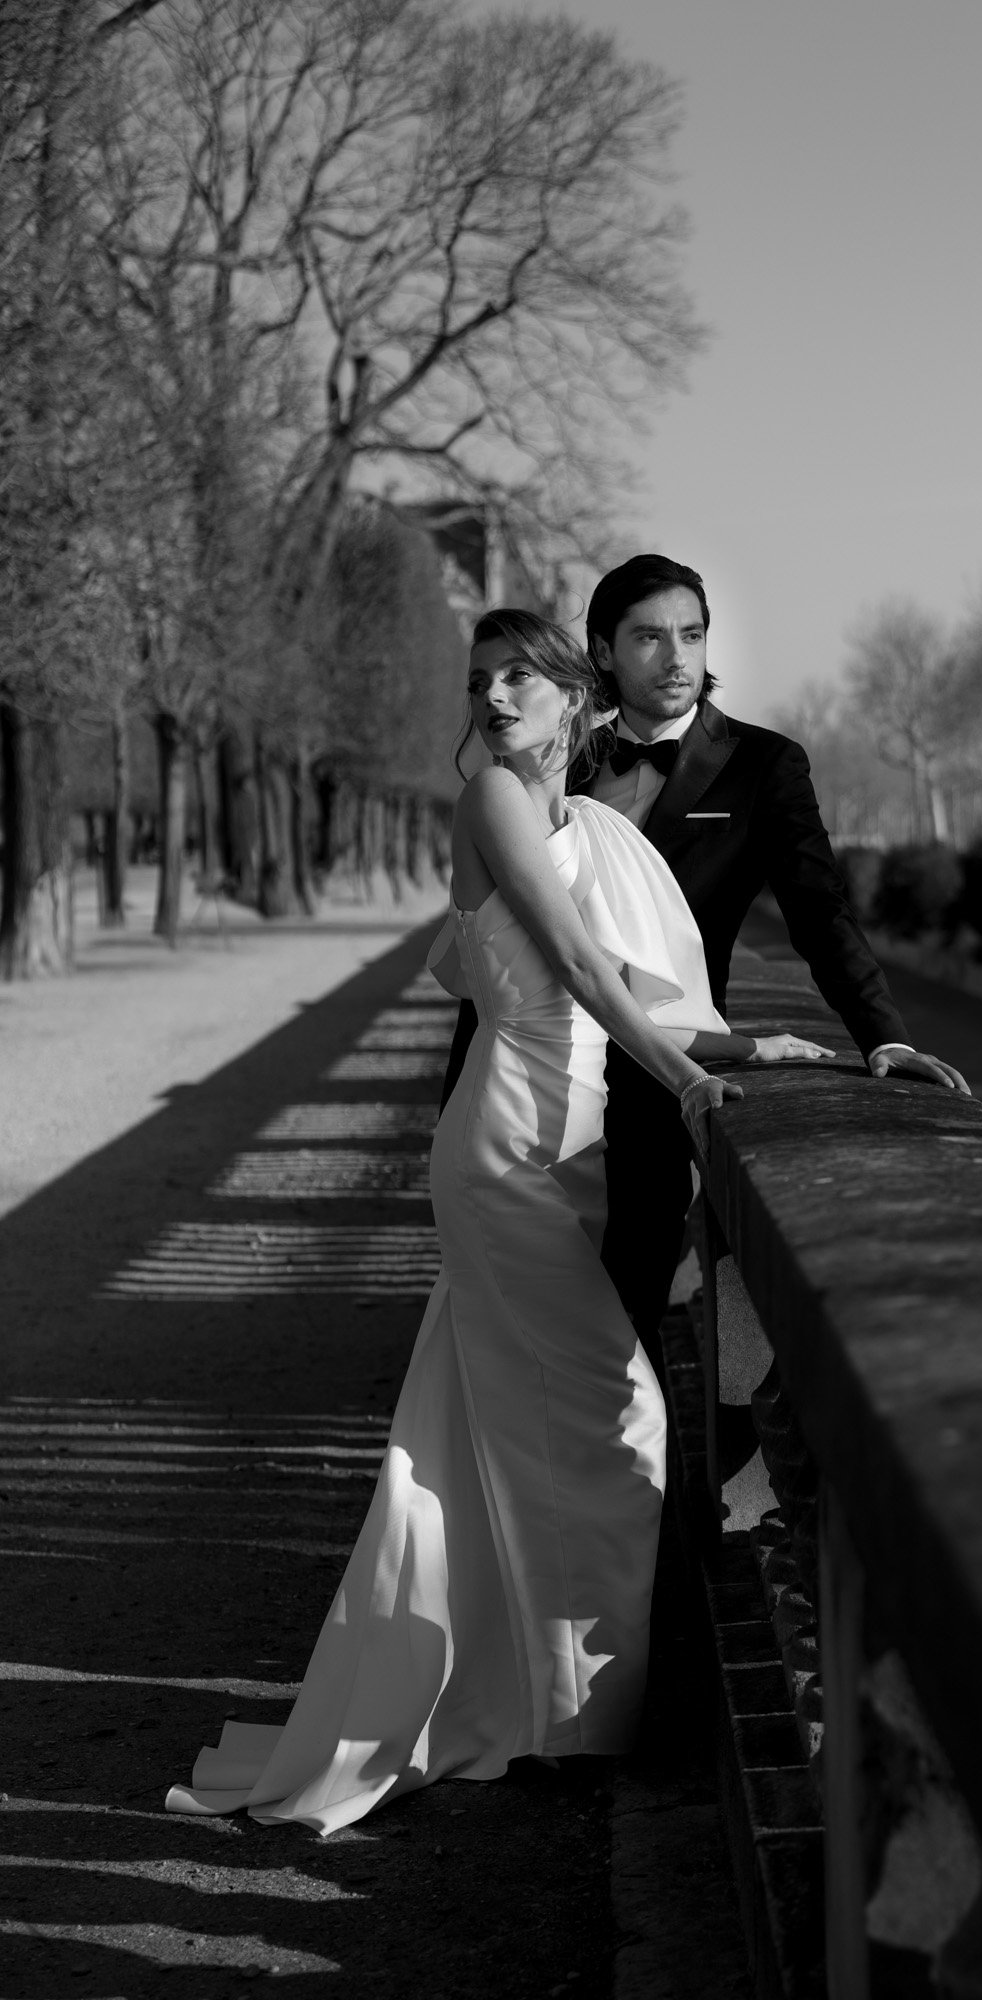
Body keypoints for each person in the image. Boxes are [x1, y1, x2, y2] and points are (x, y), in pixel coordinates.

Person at [165, 610, 832, 1835]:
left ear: (573, 698)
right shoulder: (494, 807)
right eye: (479, 681)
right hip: (511, 1148)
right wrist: (688, 1086)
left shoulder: (588, 825)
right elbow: (574, 966)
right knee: (615, 1410)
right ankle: (575, 1716)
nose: (495, 695)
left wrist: (741, 1042)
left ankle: (535, 1701)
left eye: (519, 674)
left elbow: (629, 989)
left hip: (562, 1146)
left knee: (492, 1429)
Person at [441, 554, 969, 1358]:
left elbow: (819, 914)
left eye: (692, 634)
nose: (678, 657)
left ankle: (629, 1477)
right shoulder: (548, 748)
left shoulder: (765, 766)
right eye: (650, 637)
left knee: (627, 1315)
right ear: (602, 651)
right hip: (524, 1083)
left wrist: (881, 1034)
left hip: (659, 1084)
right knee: (520, 1319)